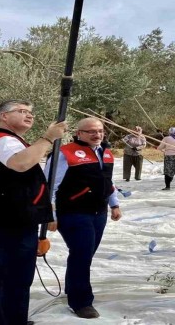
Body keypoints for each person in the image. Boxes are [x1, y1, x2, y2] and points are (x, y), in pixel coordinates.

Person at [0, 100, 67, 325]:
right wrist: (48, 138)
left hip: (13, 218)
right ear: (4, 117)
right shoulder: (4, 140)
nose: (29, 115)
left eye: (30, 112)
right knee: (17, 278)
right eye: (22, 111)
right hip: (12, 220)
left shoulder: (12, 140)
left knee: (4, 274)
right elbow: (20, 164)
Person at [45, 118, 122, 319]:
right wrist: (49, 215)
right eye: (91, 132)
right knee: (81, 254)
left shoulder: (105, 152)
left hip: (99, 212)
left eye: (100, 131)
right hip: (73, 212)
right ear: (78, 133)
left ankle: (73, 288)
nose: (97, 135)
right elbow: (50, 185)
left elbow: (108, 181)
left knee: (85, 254)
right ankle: (81, 302)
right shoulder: (65, 153)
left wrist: (114, 203)